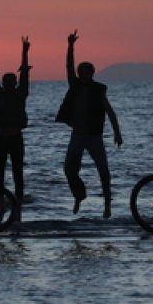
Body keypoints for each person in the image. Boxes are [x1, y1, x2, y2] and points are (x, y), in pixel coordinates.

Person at [56, 30, 123, 218]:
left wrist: (117, 133)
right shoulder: (75, 85)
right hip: (77, 134)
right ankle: (79, 195)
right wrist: (70, 46)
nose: (85, 74)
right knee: (69, 169)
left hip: (94, 136)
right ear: (79, 74)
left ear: (92, 73)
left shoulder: (98, 90)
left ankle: (107, 204)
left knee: (103, 170)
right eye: (82, 72)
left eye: (88, 71)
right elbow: (68, 66)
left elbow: (110, 112)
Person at [0, 36, 30, 224]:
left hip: (15, 137)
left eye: (11, 80)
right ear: (4, 83)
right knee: (0, 173)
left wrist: (25, 52)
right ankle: (2, 205)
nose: (8, 83)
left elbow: (25, 73)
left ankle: (17, 206)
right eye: (6, 80)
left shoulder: (21, 94)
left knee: (18, 173)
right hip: (1, 138)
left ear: (15, 83)